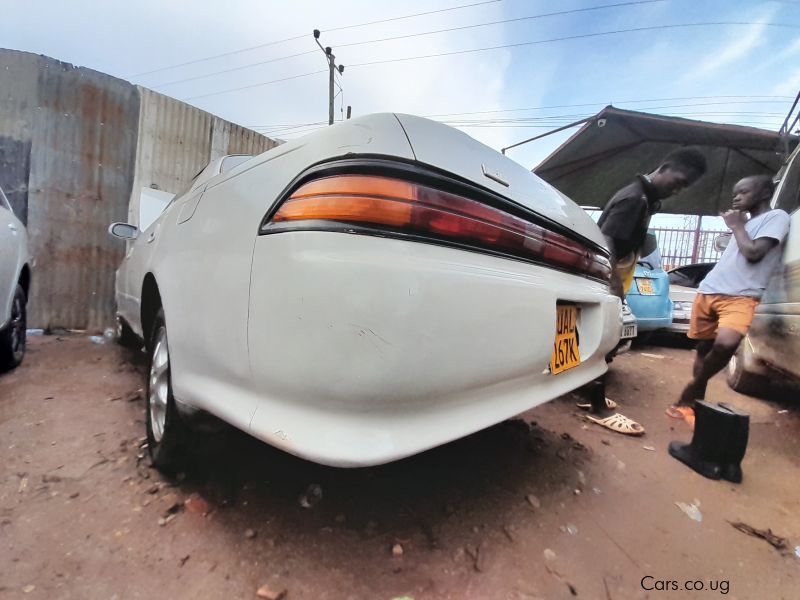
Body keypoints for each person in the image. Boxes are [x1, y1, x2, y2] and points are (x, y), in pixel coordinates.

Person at [583, 147, 708, 436]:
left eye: (684, 186)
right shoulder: (634, 199)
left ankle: (586, 395)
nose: (678, 190)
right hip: (607, 279)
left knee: (603, 340)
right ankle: (597, 407)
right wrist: (615, 289)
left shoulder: (645, 199)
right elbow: (608, 246)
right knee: (606, 340)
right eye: (678, 181)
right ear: (664, 167)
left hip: (612, 278)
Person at [670, 175, 790, 417]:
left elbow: (754, 253)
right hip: (708, 290)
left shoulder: (777, 217)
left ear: (765, 193)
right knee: (704, 348)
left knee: (725, 345)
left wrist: (736, 226)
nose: (736, 197)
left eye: (743, 192)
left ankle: (691, 391)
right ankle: (693, 404)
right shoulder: (745, 224)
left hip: (741, 296)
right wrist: (739, 226)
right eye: (735, 193)